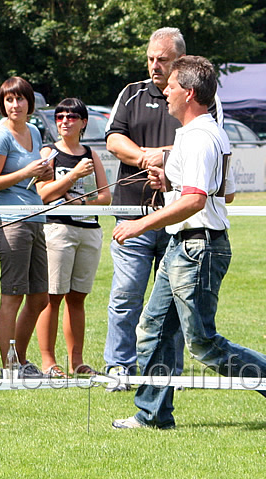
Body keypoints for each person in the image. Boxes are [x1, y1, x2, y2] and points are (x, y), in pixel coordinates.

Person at [112, 55, 266, 429]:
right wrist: (170, 182)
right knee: (154, 330)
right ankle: (152, 415)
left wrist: (140, 224)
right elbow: (221, 193)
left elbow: (197, 200)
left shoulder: (199, 138)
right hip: (185, 245)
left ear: (191, 93)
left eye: (173, 86)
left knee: (203, 344)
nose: (165, 91)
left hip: (198, 248)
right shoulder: (204, 134)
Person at [103, 27, 223, 389]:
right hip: (132, 212)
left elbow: (203, 150)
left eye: (163, 60)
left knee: (168, 311)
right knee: (126, 295)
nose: (155, 66)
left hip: (180, 219)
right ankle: (119, 367)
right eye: (151, 58)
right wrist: (144, 158)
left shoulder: (201, 103)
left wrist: (166, 159)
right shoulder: (131, 93)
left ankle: (166, 376)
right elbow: (112, 139)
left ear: (180, 63)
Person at [35, 98, 111, 378]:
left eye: (71, 116)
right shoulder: (49, 152)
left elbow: (105, 196)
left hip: (89, 230)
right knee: (52, 296)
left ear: (83, 122)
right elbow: (44, 194)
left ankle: (76, 361)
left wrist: (82, 205)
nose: (65, 121)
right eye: (59, 117)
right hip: (58, 230)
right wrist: (74, 176)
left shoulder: (91, 154)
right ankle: (48, 361)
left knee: (77, 298)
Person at [0, 76, 53, 377]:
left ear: (30, 102)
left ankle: (21, 359)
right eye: (9, 100)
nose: (15, 105)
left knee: (40, 297)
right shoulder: (0, 136)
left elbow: (35, 179)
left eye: (20, 98)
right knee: (12, 296)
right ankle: (9, 366)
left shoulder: (34, 131)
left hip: (37, 218)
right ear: (3, 104)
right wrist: (28, 169)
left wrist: (45, 170)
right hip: (12, 222)